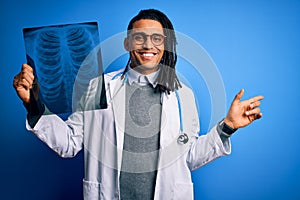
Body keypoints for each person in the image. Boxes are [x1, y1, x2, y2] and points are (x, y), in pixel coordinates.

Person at [13, 9, 264, 200]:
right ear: (127, 44)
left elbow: (189, 157)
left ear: (165, 46)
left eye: (157, 38)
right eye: (139, 38)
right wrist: (33, 105)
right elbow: (69, 143)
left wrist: (227, 127)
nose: (148, 45)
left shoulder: (182, 95)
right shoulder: (98, 87)